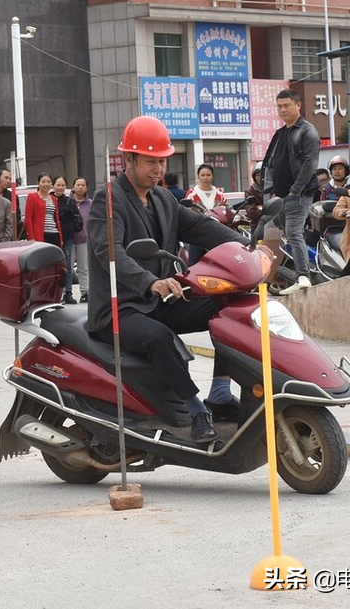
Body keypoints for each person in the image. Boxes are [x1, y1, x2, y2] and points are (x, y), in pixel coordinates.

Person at [87, 115, 250, 443]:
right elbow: (111, 252)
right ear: (129, 160)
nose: (158, 169)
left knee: (231, 306)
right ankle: (195, 411)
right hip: (121, 309)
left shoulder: (162, 199)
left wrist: (247, 246)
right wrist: (150, 282)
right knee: (160, 337)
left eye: (162, 161)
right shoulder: (109, 199)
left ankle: (220, 392)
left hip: (159, 300)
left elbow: (201, 227)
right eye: (150, 162)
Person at [261, 89, 320, 295]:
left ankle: (304, 276)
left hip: (298, 194)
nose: (283, 109)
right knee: (289, 234)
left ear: (298, 105)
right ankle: (299, 275)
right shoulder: (280, 133)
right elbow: (270, 165)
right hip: (280, 196)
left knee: (294, 232)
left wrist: (295, 191)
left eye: (287, 105)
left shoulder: (307, 131)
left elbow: (310, 164)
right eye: (279, 106)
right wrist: (270, 194)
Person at [55, 176, 83, 304]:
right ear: (53, 186)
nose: (60, 187)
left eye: (62, 185)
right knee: (54, 267)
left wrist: (70, 229)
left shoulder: (69, 202)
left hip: (67, 238)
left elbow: (78, 220)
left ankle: (68, 292)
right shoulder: (49, 200)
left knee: (68, 265)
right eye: (58, 185)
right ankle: (55, 293)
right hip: (52, 238)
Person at [24, 172, 63, 248]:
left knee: (54, 258)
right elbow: (28, 218)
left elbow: (56, 218)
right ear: (38, 183)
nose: (46, 184)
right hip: (40, 234)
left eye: (48, 182)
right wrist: (31, 237)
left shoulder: (54, 199)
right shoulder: (32, 197)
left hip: (54, 233)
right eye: (43, 182)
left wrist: (60, 236)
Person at [70, 177, 92, 303]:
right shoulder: (68, 202)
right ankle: (67, 293)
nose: (80, 187)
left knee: (84, 268)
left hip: (84, 240)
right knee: (68, 268)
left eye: (83, 185)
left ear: (86, 188)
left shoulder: (90, 203)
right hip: (69, 240)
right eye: (78, 185)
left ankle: (85, 292)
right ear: (73, 187)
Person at [242, 161, 264, 235]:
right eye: (257, 175)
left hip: (274, 226)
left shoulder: (273, 189)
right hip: (258, 227)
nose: (259, 177)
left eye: (262, 174)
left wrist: (260, 208)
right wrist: (267, 210)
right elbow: (252, 214)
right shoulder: (250, 191)